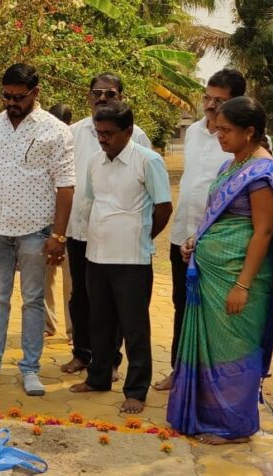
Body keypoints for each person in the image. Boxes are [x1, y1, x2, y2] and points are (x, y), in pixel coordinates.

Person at [167, 96, 273, 444]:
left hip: (237, 278)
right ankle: (205, 416)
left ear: (249, 132)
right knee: (211, 347)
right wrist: (195, 241)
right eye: (218, 128)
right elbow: (217, 216)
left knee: (232, 349)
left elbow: (264, 232)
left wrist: (242, 285)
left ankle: (234, 426)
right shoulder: (231, 165)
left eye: (225, 130)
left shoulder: (262, 173)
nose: (219, 135)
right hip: (211, 276)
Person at [0, 64, 75, 397]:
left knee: (33, 300)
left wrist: (58, 236)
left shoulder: (56, 131)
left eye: (19, 97)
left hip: (36, 231)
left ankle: (30, 369)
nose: (12, 103)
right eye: (7, 96)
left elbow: (66, 186)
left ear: (35, 93)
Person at [66, 103, 173, 414]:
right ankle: (98, 377)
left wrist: (141, 237)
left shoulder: (148, 161)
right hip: (96, 255)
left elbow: (163, 208)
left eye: (109, 134)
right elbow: (90, 202)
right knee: (98, 321)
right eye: (99, 133)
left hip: (132, 260)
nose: (102, 139)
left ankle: (136, 390)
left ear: (128, 131)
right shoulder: (95, 162)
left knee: (134, 327)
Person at [157, 68, 247, 391]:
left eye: (218, 101)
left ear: (236, 102)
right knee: (182, 305)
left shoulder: (246, 142)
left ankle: (211, 381)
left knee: (214, 312)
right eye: (207, 97)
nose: (209, 105)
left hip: (217, 245)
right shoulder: (194, 132)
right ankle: (179, 372)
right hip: (182, 234)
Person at [60, 73, 153, 377]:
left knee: (113, 302)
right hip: (80, 229)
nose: (102, 98)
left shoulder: (137, 136)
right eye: (97, 93)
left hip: (119, 240)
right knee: (81, 297)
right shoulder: (71, 133)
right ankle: (82, 353)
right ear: (88, 96)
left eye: (110, 94)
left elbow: (155, 197)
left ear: (121, 98)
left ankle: (110, 360)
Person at [45, 103, 73, 340]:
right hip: (44, 221)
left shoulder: (72, 145)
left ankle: (73, 329)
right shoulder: (40, 143)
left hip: (70, 222)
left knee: (70, 279)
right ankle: (47, 325)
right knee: (45, 276)